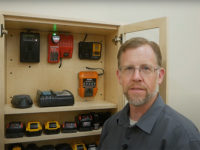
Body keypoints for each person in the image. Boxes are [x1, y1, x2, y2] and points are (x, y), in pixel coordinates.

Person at [98, 37, 200, 150]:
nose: (136, 77)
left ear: (160, 76)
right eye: (129, 68)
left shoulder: (184, 136)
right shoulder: (110, 126)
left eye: (146, 68)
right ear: (119, 77)